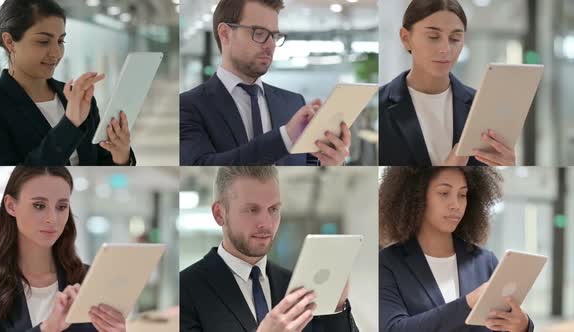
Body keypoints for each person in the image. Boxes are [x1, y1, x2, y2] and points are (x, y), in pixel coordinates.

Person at [180, 166, 358, 332]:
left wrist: (337, 307)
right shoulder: (186, 288)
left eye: (273, 209)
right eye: (251, 210)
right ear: (220, 214)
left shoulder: (294, 285)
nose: (266, 223)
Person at [180, 0, 351, 166]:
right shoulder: (188, 106)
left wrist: (332, 161)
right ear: (225, 33)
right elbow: (200, 166)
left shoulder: (293, 103)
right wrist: (284, 138)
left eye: (274, 36)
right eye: (259, 33)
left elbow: (309, 168)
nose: (270, 45)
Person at [379, 167, 533, 332]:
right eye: (444, 193)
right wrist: (468, 303)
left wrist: (523, 325)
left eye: (462, 195)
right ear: (416, 196)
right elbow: (393, 328)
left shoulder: (485, 261)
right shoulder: (388, 263)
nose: (456, 205)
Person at [0, 0, 135, 166]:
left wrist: (121, 157)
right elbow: (15, 179)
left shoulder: (79, 98)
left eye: (60, 41)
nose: (56, 53)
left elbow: (100, 164)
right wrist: (70, 123)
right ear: (9, 42)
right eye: (43, 41)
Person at [0, 166, 127, 331]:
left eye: (61, 207)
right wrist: (47, 328)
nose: (52, 219)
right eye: (39, 205)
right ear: (11, 206)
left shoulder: (90, 282)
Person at [379, 0, 516, 166]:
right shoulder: (377, 104)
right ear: (406, 38)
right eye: (433, 37)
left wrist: (507, 166)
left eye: (455, 38)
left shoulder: (482, 106)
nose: (445, 49)